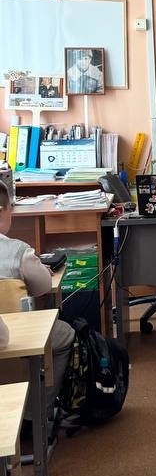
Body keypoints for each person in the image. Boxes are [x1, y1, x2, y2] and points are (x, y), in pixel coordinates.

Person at [0, 182, 74, 424]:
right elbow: (43, 287)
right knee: (64, 335)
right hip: (11, 338)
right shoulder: (18, 252)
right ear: (3, 210)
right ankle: (36, 414)